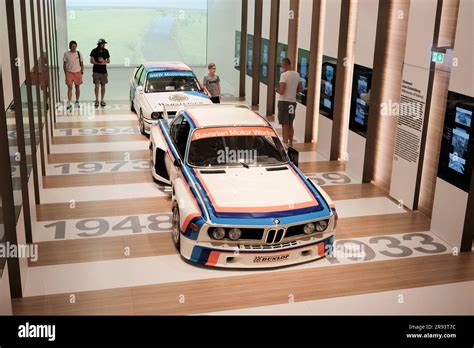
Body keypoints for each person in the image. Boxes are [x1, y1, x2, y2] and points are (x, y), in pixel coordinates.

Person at [275, 58, 303, 148]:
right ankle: (291, 143)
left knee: (284, 124)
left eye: (282, 65)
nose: (282, 67)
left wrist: (276, 90)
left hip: (284, 102)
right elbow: (300, 89)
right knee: (290, 123)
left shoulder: (284, 75)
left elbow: (282, 91)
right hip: (292, 103)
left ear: (285, 65)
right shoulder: (297, 74)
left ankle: (285, 144)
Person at [63, 40, 84, 111]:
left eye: (75, 46)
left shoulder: (79, 53)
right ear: (70, 47)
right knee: (69, 88)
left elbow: (81, 63)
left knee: (77, 87)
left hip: (78, 72)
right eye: (72, 46)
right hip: (69, 73)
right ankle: (69, 103)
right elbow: (64, 65)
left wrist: (81, 71)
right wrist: (65, 73)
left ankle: (77, 101)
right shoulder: (66, 54)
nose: (74, 47)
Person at [89, 38, 110, 108]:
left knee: (103, 85)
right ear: (99, 44)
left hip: (104, 71)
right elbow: (91, 61)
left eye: (104, 44)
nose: (104, 45)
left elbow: (108, 60)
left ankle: (102, 100)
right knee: (96, 85)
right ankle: (97, 100)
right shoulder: (94, 51)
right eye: (102, 44)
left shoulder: (106, 51)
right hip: (96, 71)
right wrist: (98, 63)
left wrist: (104, 61)